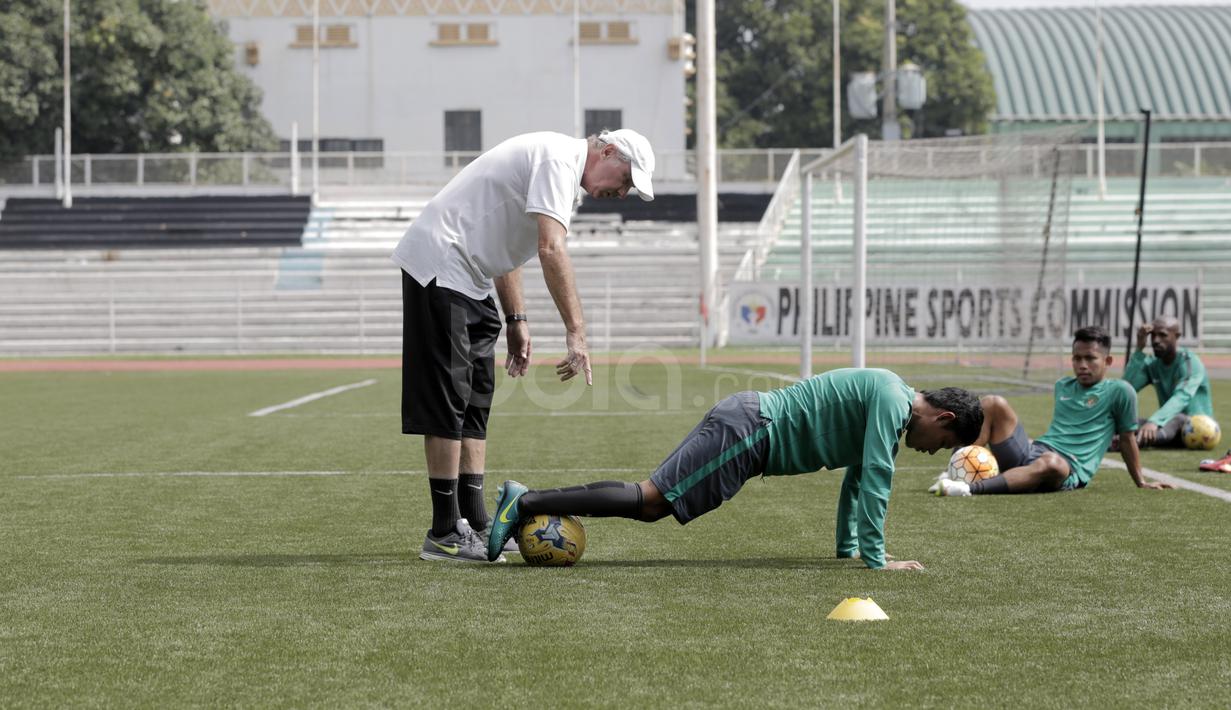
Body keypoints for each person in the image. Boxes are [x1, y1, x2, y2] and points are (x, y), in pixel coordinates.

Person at [393, 129, 657, 562]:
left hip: (472, 276)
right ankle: (443, 532)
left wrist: (516, 319)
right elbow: (550, 248)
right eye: (626, 180)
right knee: (448, 400)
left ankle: (475, 520)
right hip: (442, 264)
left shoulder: (563, 174)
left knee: (476, 399)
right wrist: (577, 332)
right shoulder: (558, 160)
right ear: (608, 152)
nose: (623, 193)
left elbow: (506, 247)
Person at [485, 368, 985, 570]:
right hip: (752, 431)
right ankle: (526, 501)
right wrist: (878, 561)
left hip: (750, 431)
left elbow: (858, 478)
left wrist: (848, 549)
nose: (927, 452)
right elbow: (876, 478)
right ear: (943, 417)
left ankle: (528, 499)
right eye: (941, 444)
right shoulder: (892, 399)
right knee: (650, 501)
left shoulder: (891, 405)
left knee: (653, 506)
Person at [932, 326, 1174, 496]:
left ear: (1108, 361)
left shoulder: (1121, 391)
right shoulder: (1063, 386)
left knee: (1053, 463)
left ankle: (967, 489)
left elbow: (1128, 440)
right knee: (993, 403)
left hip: (1067, 467)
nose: (1082, 365)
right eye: (1077, 358)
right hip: (1034, 451)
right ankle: (953, 473)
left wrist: (1141, 482)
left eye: (1090, 358)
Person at [1122, 316, 1216, 448]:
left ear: (1177, 336)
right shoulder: (1153, 364)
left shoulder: (1189, 362)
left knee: (1178, 418)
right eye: (1153, 335)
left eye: (1162, 335)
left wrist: (1155, 421)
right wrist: (1139, 350)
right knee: (1124, 422)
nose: (1155, 340)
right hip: (1166, 425)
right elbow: (1126, 389)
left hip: (1201, 428)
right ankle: (1123, 440)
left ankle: (1128, 443)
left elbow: (1182, 397)